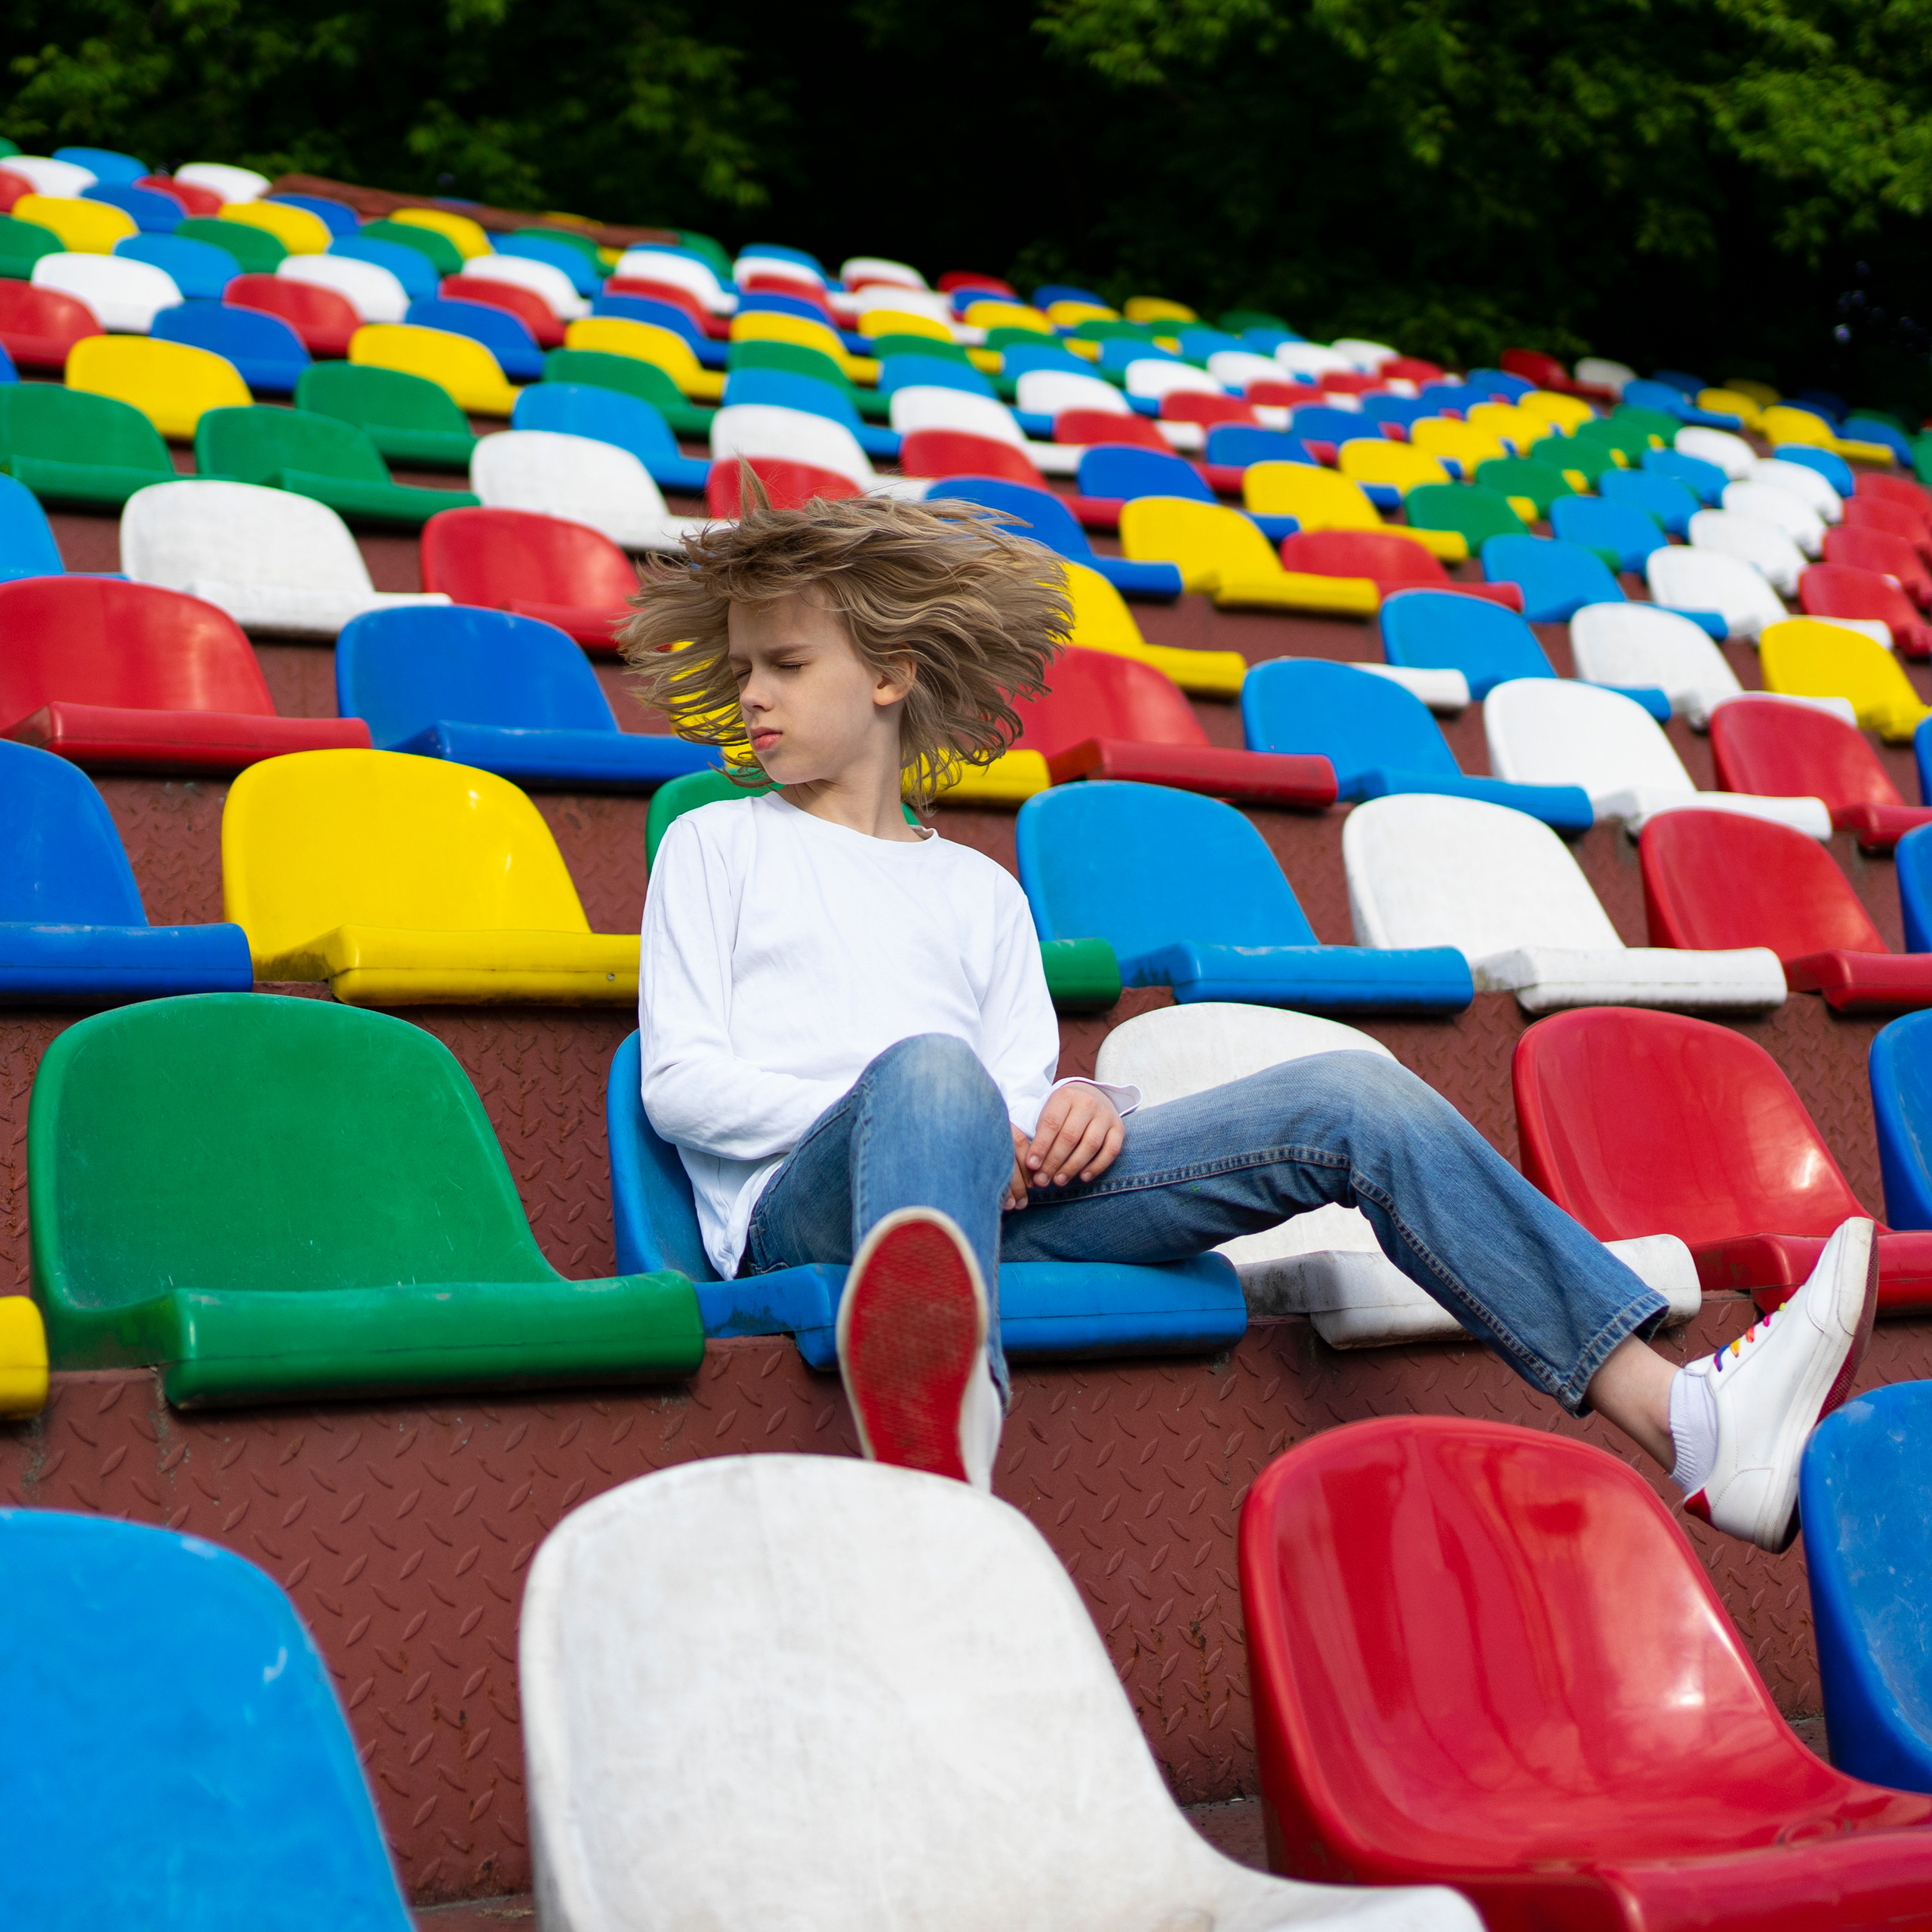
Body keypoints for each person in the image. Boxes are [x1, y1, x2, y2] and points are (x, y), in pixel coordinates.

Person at [623, 485, 1875, 1554]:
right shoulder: (715, 846)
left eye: (786, 665)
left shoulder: (981, 889)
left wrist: (1074, 1108)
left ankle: (1686, 1419)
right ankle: (948, 1480)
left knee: (1350, 1094)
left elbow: (1016, 1087)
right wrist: (936, 1108)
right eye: (744, 670)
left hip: (991, 1206)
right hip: (805, 1216)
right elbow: (681, 1088)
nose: (756, 697)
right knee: (932, 1075)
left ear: (891, 674)